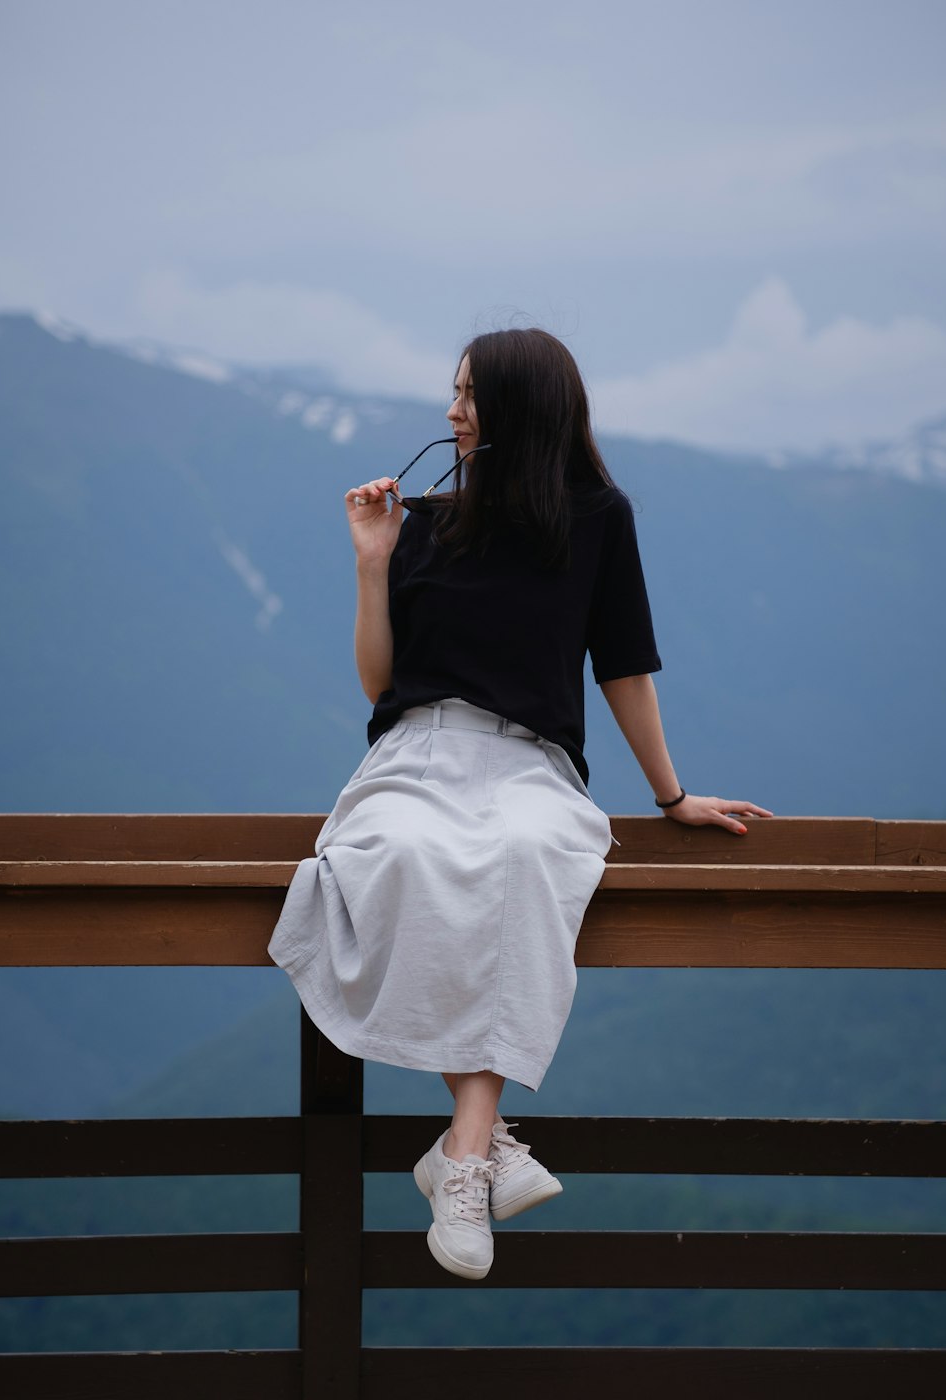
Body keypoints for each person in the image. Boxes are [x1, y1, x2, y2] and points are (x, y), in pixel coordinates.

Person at [269, 327, 771, 1281]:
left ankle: (460, 1151)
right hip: (417, 753)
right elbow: (381, 684)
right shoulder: (429, 519)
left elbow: (624, 667)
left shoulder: (598, 517)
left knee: (532, 855)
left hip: (531, 766)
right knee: (405, 854)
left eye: (470, 395)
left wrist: (669, 796)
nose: (452, 411)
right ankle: (479, 1147)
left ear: (522, 409)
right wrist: (374, 563)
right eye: (453, 393)